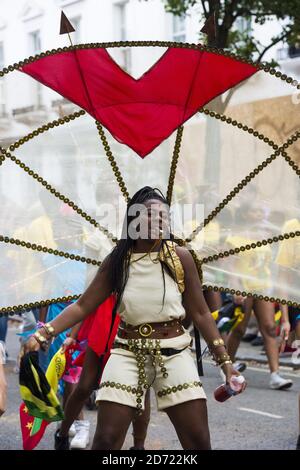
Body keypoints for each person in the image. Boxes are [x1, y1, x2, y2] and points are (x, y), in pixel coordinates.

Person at [25, 186, 242, 450]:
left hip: (174, 353)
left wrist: (225, 363)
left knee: (198, 442)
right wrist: (43, 332)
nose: (158, 221)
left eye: (164, 216)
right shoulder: (117, 260)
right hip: (127, 352)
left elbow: (200, 313)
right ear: (134, 220)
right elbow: (83, 306)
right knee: (105, 441)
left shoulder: (181, 257)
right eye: (150, 215)